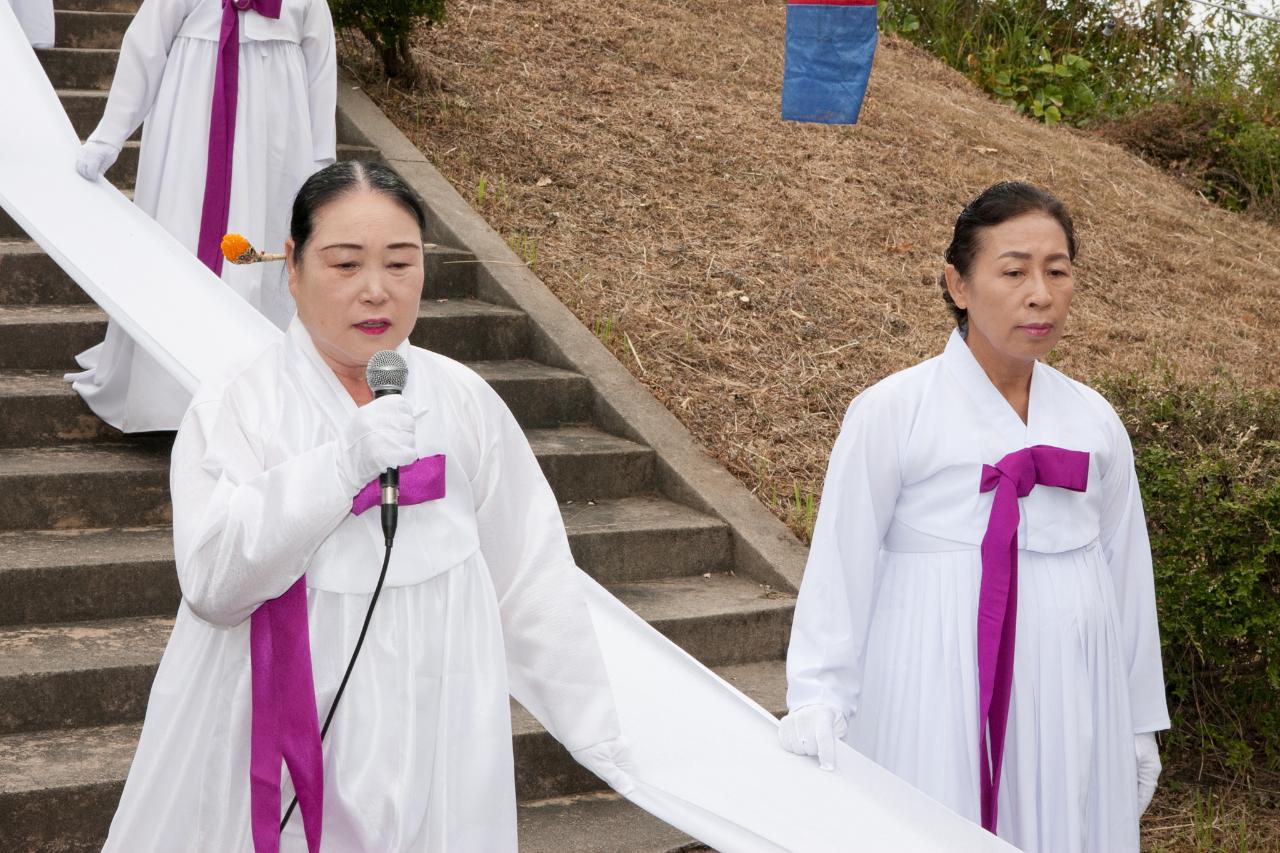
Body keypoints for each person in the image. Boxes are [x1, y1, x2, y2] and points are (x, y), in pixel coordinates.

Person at [102, 161, 632, 851]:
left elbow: (529, 570)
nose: (376, 290)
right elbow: (211, 582)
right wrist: (337, 468)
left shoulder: (463, 400)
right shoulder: (239, 404)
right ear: (292, 266)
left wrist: (597, 733)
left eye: (400, 263)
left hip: (434, 710)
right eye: (345, 263)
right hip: (280, 711)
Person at [778, 182, 1169, 852]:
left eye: (1058, 270)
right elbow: (842, 560)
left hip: (1077, 686)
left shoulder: (1094, 421)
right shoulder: (893, 411)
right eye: (1014, 271)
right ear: (958, 284)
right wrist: (818, 693)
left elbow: (1126, 572)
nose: (1040, 293)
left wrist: (1137, 717)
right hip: (936, 679)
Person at [68, 0, 336, 432]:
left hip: (275, 137)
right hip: (192, 127)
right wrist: (110, 134)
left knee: (259, 250)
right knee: (180, 231)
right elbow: (146, 47)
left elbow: (321, 67)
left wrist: (322, 158)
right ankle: (169, 392)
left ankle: (254, 392)